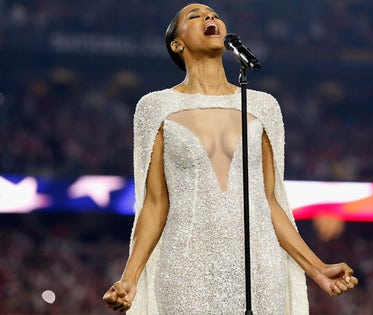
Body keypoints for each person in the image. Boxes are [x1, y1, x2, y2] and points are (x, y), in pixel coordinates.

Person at [103, 3, 358, 314]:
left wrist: (318, 269)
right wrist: (130, 278)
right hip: (186, 267)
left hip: (259, 266)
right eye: (194, 16)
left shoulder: (262, 106)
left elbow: (271, 202)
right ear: (177, 43)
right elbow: (154, 204)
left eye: (214, 14)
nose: (210, 18)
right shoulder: (155, 107)